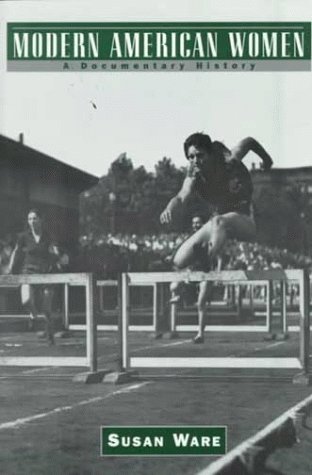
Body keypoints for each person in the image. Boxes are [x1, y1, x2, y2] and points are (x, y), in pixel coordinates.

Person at [161, 132, 273, 341]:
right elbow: (181, 196)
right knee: (179, 259)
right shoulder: (193, 174)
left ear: (211, 153)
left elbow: (248, 141)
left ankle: (206, 262)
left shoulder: (228, 159)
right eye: (191, 157)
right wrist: (169, 207)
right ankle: (201, 265)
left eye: (200, 156)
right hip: (219, 224)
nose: (196, 161)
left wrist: (266, 159)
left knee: (218, 221)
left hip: (244, 221)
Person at [8, 209, 68, 345]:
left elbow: (55, 250)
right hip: (28, 272)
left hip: (46, 273)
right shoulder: (23, 237)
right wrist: (11, 267)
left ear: (41, 220)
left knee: (47, 308)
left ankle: (50, 334)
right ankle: (35, 316)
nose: (32, 221)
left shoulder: (48, 236)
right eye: (30, 219)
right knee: (26, 300)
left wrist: (58, 256)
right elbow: (16, 251)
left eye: (35, 218)